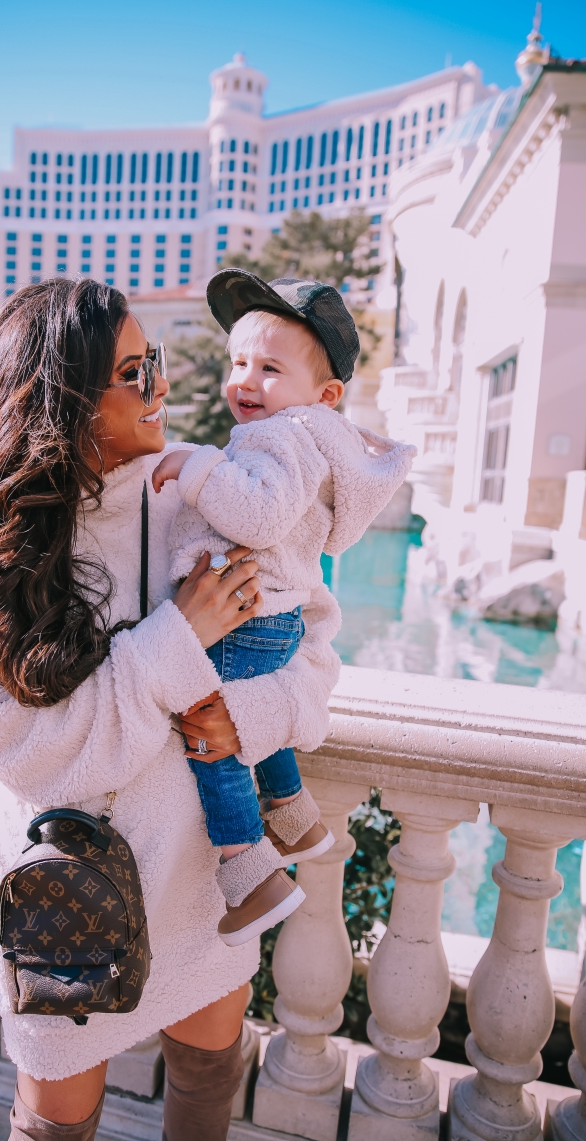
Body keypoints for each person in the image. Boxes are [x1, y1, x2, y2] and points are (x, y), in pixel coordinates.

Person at [0, 277, 343, 1141]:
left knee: (205, 1084)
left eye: (158, 367)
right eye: (134, 372)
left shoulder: (207, 493)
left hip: (204, 883)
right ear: (59, 399)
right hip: (66, 891)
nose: (162, 389)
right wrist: (176, 641)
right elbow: (34, 752)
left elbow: (310, 653)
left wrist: (247, 719)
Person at [152, 270, 416, 947]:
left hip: (242, 617)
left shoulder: (281, 435)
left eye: (270, 367)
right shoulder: (312, 436)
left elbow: (261, 516)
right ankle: (297, 819)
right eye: (239, 362)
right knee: (242, 718)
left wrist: (195, 466)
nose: (246, 380)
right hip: (274, 618)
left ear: (325, 395)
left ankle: (249, 873)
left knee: (209, 733)